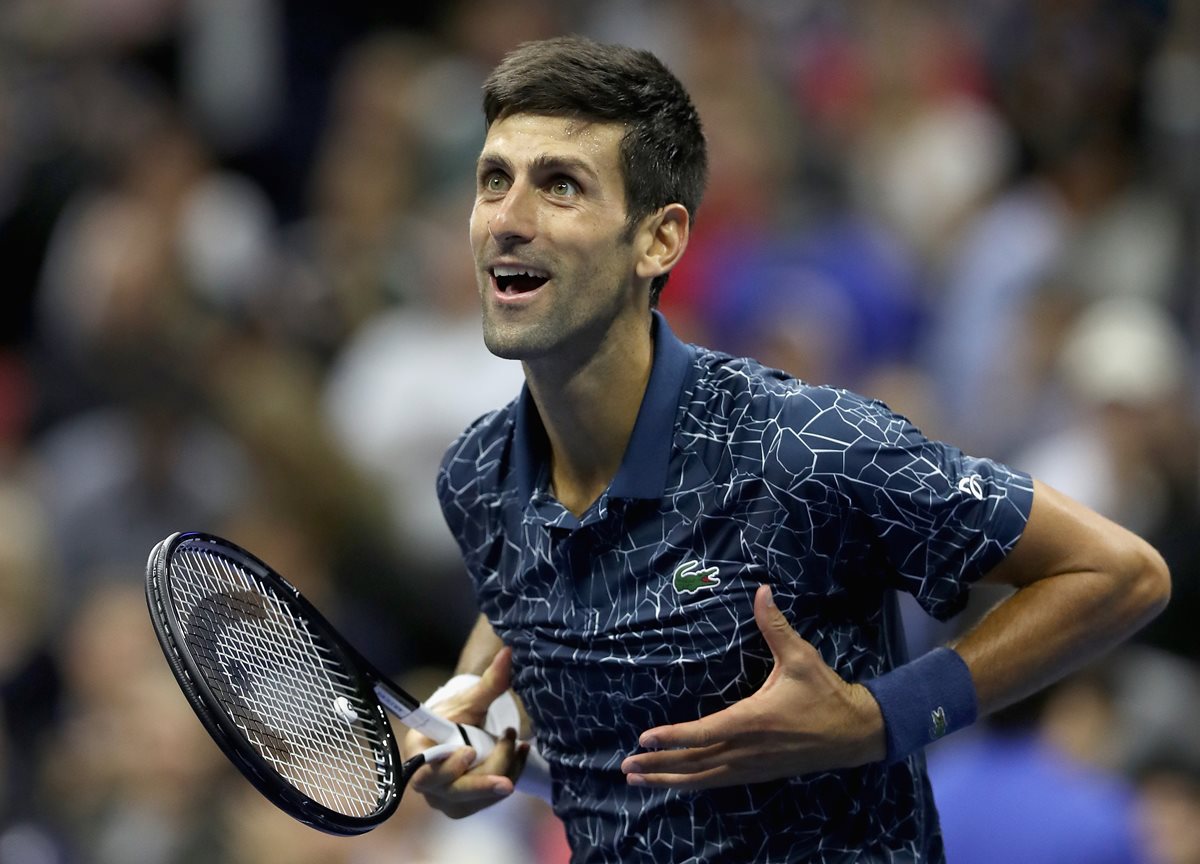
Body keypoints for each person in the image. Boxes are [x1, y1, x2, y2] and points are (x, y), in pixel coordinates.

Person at [402, 35, 1170, 863]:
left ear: (658, 241)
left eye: (560, 186)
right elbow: (528, 597)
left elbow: (1118, 573)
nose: (508, 221)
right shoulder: (478, 477)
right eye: (494, 181)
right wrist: (472, 721)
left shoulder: (803, 448)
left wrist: (881, 720)